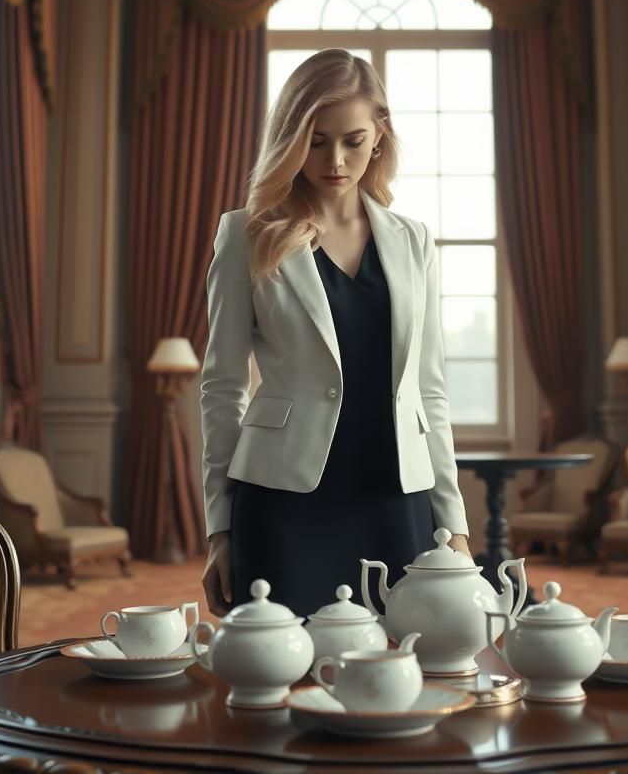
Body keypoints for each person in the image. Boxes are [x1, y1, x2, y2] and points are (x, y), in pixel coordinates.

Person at [200, 48, 470, 618]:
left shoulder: (414, 240)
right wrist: (219, 530)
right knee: (282, 667)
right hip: (284, 502)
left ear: (380, 135)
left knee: (404, 661)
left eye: (353, 140)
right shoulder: (246, 235)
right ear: (290, 139)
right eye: (316, 141)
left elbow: (429, 391)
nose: (336, 160)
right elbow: (222, 389)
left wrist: (456, 527)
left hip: (395, 498)